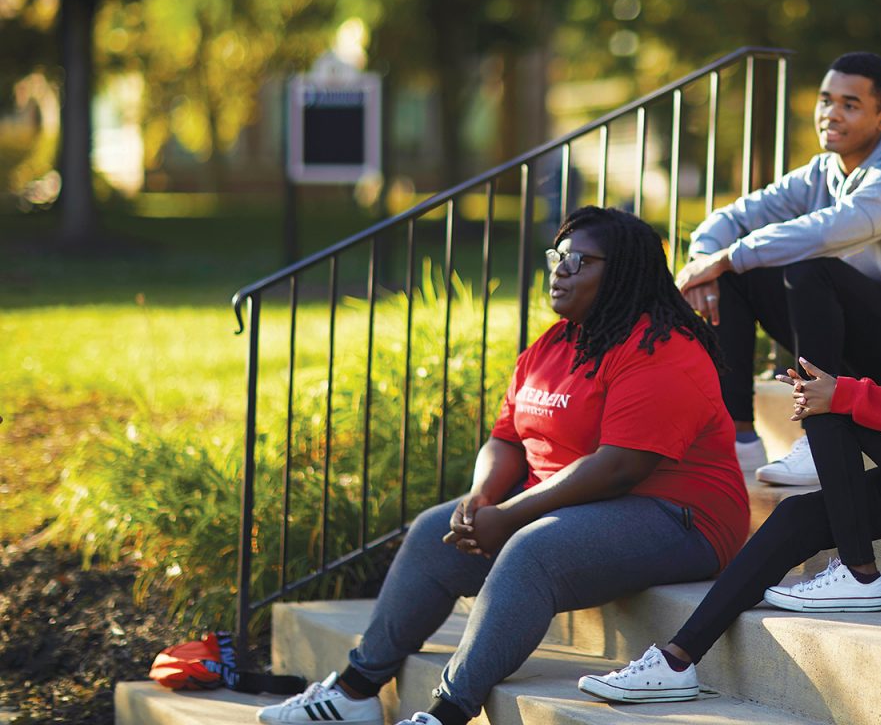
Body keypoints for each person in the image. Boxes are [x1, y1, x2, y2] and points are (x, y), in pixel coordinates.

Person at [576, 154, 881, 703]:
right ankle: (677, 659)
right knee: (796, 514)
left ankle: (860, 574)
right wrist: (842, 397)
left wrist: (843, 396)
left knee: (835, 404)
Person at [255, 207, 748, 725]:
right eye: (558, 255)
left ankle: (446, 714)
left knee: (533, 549)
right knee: (432, 532)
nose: (560, 269)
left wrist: (511, 515)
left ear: (624, 270)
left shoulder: (662, 347)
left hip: (678, 516)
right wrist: (481, 497)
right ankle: (355, 692)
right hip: (576, 504)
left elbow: (619, 468)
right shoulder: (555, 343)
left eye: (580, 260)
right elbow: (506, 437)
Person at [676, 51, 881, 486]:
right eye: (825, 100)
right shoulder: (822, 170)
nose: (830, 114)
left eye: (850, 105)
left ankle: (824, 440)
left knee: (808, 268)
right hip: (845, 333)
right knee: (736, 275)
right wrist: (706, 261)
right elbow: (737, 215)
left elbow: (831, 229)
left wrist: (727, 256)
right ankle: (738, 439)